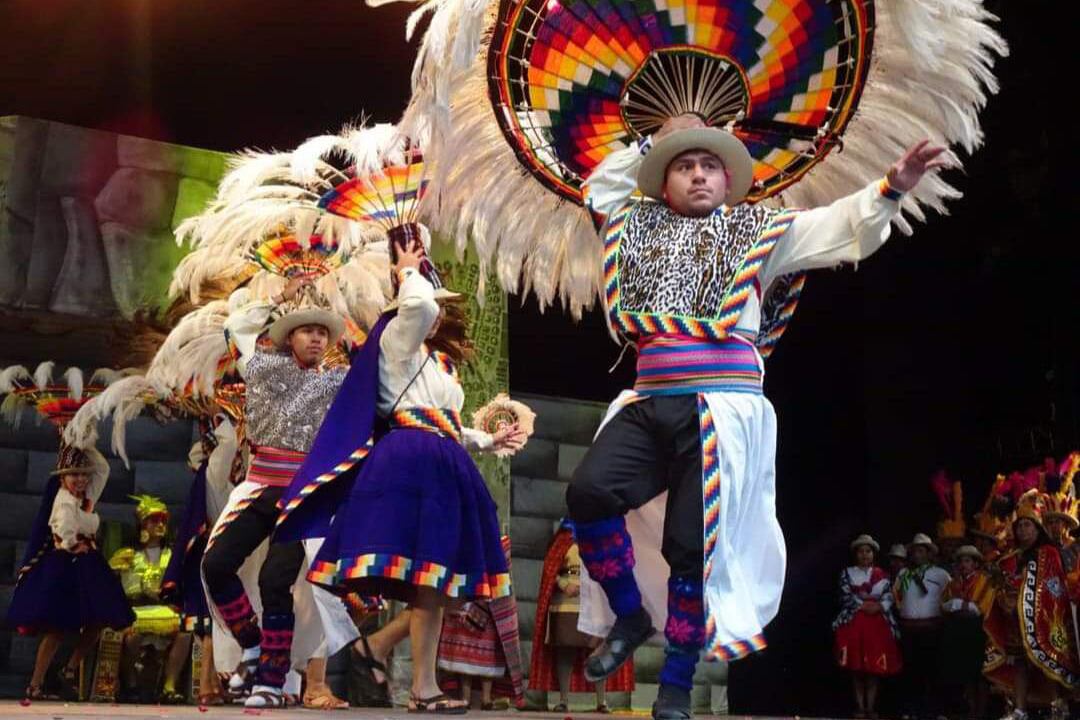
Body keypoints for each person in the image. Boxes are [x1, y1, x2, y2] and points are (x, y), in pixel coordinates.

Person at [566, 111, 948, 720]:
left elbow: (837, 226)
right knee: (588, 495)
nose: (697, 175)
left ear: (727, 181)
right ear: (661, 181)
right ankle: (630, 614)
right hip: (648, 399)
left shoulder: (756, 232)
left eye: (709, 166)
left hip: (720, 410)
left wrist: (892, 185)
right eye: (683, 165)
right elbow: (601, 190)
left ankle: (675, 687)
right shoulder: (633, 227)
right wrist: (651, 138)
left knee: (691, 552)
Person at [277, 230, 526, 713]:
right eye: (432, 297)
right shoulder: (396, 340)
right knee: (428, 580)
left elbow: (446, 419)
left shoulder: (440, 364)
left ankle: (418, 682)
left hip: (444, 460)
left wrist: (486, 440)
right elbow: (419, 313)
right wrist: (407, 270)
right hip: (410, 462)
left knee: (435, 583)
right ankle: (414, 681)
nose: (439, 310)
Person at [200, 278, 362, 708]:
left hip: (302, 498)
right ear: (289, 335)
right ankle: (252, 646)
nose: (316, 337)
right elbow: (237, 325)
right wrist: (278, 298)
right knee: (216, 565)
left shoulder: (339, 381)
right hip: (259, 486)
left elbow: (382, 389)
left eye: (322, 332)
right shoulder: (262, 365)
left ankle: (272, 680)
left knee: (277, 582)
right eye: (307, 330)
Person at [6, 446, 135, 700]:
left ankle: (69, 670)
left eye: (83, 474)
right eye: (73, 475)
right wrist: (76, 545)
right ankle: (35, 684)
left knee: (100, 619)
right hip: (64, 565)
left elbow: (103, 469)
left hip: (86, 566)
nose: (80, 479)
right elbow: (64, 533)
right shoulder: (63, 499)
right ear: (63, 478)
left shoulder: (86, 497)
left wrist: (84, 442)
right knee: (57, 627)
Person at [160, 418, 240, 706]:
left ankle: (215, 683)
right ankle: (208, 685)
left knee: (217, 622)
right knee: (212, 623)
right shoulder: (214, 473)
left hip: (221, 553)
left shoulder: (220, 470)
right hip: (216, 554)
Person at [983, 491, 1077, 720]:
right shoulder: (1010, 557)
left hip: (1045, 617)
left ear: (1037, 529)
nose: (1023, 530)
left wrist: (1028, 596)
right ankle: (1020, 709)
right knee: (1020, 664)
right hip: (1015, 619)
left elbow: (1055, 587)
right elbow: (1002, 585)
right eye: (1020, 526)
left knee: (1048, 659)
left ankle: (1057, 705)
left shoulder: (1049, 553)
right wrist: (1004, 596)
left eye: (1028, 525)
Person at [529, 519, 634, 713]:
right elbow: (550, 570)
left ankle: (602, 701)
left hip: (595, 603)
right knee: (565, 650)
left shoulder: (604, 535)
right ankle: (563, 700)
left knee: (599, 650)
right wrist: (563, 584)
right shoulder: (564, 538)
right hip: (566, 604)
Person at [109, 495, 192, 703]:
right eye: (154, 520)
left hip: (165, 609)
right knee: (132, 635)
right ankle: (130, 684)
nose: (160, 525)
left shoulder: (173, 555)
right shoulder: (127, 555)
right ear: (142, 524)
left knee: (187, 630)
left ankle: (169, 686)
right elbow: (117, 589)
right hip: (135, 609)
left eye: (163, 520)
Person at [437, 537, 524, 709]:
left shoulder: (501, 543)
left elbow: (503, 573)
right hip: (466, 598)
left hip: (490, 602)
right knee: (465, 660)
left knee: (488, 660)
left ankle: (486, 698)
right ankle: (466, 698)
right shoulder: (465, 537)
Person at [832, 535, 901, 719]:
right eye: (861, 551)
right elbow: (844, 595)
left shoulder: (883, 575)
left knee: (873, 668)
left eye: (868, 551)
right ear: (856, 554)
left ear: (873, 554)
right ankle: (859, 707)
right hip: (854, 623)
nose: (864, 555)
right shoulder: (847, 573)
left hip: (876, 624)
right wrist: (862, 606)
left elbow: (889, 596)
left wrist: (879, 606)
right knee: (856, 668)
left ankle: (870, 707)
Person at [893, 533, 950, 720]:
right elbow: (895, 596)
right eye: (915, 551)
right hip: (909, 628)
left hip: (931, 628)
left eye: (921, 550)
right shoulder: (903, 574)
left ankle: (934, 711)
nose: (917, 554)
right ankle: (911, 710)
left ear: (929, 553)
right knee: (910, 670)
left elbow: (950, 595)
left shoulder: (940, 574)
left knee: (932, 670)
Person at [939, 545, 993, 720]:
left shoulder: (984, 580)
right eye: (961, 561)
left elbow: (981, 609)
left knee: (980, 674)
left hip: (978, 631)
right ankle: (971, 711)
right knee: (966, 673)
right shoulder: (953, 582)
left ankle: (981, 712)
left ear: (975, 564)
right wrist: (963, 606)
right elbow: (943, 606)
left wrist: (959, 605)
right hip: (958, 630)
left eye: (968, 561)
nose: (963, 564)